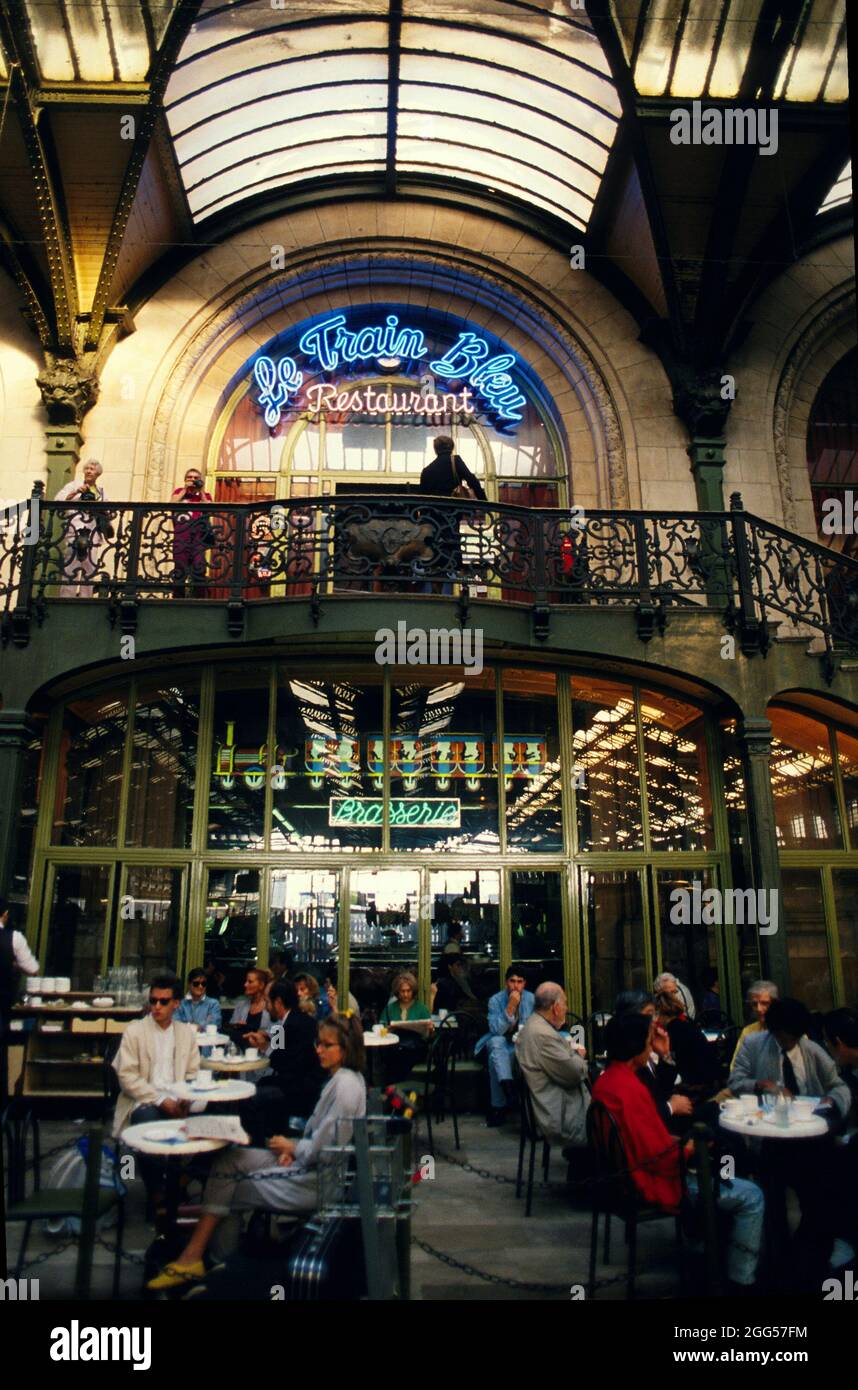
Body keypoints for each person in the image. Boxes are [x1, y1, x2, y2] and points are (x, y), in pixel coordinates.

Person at [147, 1012, 367, 1290]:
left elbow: (325, 1152)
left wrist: (293, 1147)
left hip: (315, 1182)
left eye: (326, 1045)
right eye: (318, 1043)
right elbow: (320, 1141)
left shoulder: (345, 1087)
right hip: (307, 1165)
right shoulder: (343, 1080)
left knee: (230, 1190)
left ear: (345, 1049)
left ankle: (214, 1268)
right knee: (230, 1159)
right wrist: (294, 1148)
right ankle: (209, 1262)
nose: (318, 1049)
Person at [592, 1012, 764, 1291]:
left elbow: (643, 1137)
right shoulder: (629, 1089)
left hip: (622, 1179)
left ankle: (701, 1246)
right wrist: (689, 1147)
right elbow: (658, 1155)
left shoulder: (608, 1081)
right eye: (648, 1041)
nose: (651, 1047)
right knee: (752, 1195)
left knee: (719, 1158)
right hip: (649, 1180)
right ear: (635, 1045)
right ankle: (740, 1279)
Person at [111, 971, 200, 1208]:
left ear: (176, 1003)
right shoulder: (135, 1031)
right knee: (148, 1124)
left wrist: (185, 1098)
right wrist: (161, 1100)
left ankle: (177, 1183)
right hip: (144, 1100)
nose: (156, 1006)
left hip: (178, 1100)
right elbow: (126, 1076)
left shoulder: (186, 1033)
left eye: (163, 1001)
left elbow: (192, 1073)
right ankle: (157, 1193)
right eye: (153, 1000)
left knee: (212, 1125)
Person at [242, 980, 325, 1143]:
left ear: (278, 1002)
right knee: (259, 1084)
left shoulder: (295, 1024)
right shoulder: (288, 1021)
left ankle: (259, 1143)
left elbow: (282, 1061)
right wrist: (264, 1039)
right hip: (292, 1082)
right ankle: (269, 1135)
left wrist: (264, 1046)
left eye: (267, 1002)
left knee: (249, 1098)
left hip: (299, 1089)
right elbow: (278, 1049)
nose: (266, 1006)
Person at [517, 982, 589, 1150]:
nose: (566, 1008)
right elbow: (576, 1073)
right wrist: (579, 1056)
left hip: (554, 1104)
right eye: (565, 1003)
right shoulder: (543, 1035)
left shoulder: (534, 1025)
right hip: (560, 1113)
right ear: (556, 1007)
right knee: (617, 1122)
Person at [613, 989, 693, 1129]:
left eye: (655, 1013)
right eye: (650, 1014)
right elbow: (637, 1118)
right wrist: (670, 1106)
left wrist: (665, 1055)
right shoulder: (628, 1057)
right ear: (632, 1018)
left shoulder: (643, 1051)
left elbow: (660, 1091)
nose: (655, 1020)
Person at [418, 435, 487, 593]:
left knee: (436, 554)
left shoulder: (427, 471)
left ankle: (436, 591)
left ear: (435, 449)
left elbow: (422, 499)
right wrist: (484, 502)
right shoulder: (455, 461)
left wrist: (423, 521)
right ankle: (465, 591)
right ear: (451, 447)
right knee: (454, 547)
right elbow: (472, 481)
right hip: (451, 516)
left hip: (434, 520)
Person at [475, 965, 535, 1127]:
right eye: (512, 981)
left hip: (521, 1046)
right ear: (506, 982)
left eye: (520, 982)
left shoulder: (531, 999)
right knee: (496, 1043)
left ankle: (499, 1106)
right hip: (501, 1043)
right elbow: (496, 1030)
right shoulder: (495, 1000)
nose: (516, 986)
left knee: (495, 1062)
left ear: (525, 984)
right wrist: (510, 1008)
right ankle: (509, 1091)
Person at [55, 459, 110, 598]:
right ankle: (66, 598)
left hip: (92, 534)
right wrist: (74, 493)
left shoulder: (101, 492)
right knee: (70, 567)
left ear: (98, 473)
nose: (89, 471)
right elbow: (58, 500)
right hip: (75, 531)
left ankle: (86, 598)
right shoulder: (73, 485)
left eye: (92, 469)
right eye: (87, 468)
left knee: (89, 569)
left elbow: (107, 512)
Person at [654, 989, 720, 1096]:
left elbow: (668, 1076)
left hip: (696, 1088)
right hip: (709, 1081)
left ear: (661, 1014)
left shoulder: (672, 1032)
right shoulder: (687, 1024)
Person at [171, 468, 213, 597]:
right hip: (181, 537)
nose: (193, 480)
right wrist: (185, 490)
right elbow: (171, 504)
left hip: (199, 538)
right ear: (185, 480)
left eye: (196, 478)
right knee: (180, 569)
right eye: (190, 477)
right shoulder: (179, 492)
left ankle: (199, 599)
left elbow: (210, 507)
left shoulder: (205, 495)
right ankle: (178, 599)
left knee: (199, 567)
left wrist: (200, 491)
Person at [731, 979, 779, 1067]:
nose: (759, 1009)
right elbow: (736, 1067)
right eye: (754, 1004)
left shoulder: (791, 1030)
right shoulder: (748, 1032)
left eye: (765, 1003)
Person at [229, 968, 272, 1051]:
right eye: (246, 981)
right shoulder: (241, 1005)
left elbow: (277, 1037)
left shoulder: (270, 1008)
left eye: (250, 982)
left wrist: (263, 1034)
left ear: (261, 985)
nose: (245, 984)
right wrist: (236, 1025)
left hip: (264, 1053)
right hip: (241, 1052)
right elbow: (231, 1029)